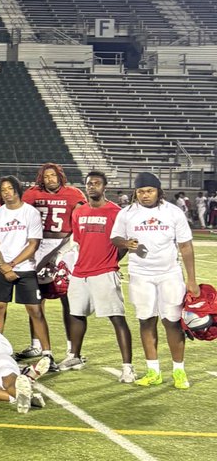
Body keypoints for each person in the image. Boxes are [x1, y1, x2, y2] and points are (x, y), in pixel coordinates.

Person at [113, 171, 199, 388]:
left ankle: (179, 370)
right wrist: (126, 243)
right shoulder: (126, 213)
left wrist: (192, 279)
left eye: (149, 191)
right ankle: (153, 371)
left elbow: (186, 246)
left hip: (169, 273)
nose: (145, 195)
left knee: (172, 321)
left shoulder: (173, 212)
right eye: (140, 191)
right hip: (141, 274)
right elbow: (115, 237)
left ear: (159, 191)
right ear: (136, 193)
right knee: (146, 320)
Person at [63, 170, 135, 381]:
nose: (92, 186)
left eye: (96, 183)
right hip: (80, 271)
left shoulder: (116, 212)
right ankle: (74, 356)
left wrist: (112, 261)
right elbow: (79, 241)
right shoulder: (78, 212)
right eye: (89, 183)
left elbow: (123, 243)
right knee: (76, 313)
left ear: (105, 187)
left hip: (104, 271)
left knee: (116, 318)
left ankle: (128, 366)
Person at [20, 163, 85, 362]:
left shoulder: (74, 194)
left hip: (65, 245)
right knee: (36, 298)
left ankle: (72, 350)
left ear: (60, 176)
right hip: (38, 246)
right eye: (46, 176)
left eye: (53, 175)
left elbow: (81, 219)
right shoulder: (31, 194)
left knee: (69, 297)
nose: (50, 179)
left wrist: (70, 245)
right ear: (41, 178)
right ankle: (36, 345)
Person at [0, 176, 52, 360]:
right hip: (1, 269)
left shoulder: (30, 213)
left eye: (10, 188)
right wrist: (3, 267)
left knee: (35, 310)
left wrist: (12, 265)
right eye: (3, 190)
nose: (6, 192)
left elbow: (33, 245)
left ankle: (47, 353)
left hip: (25, 268)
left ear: (17, 189)